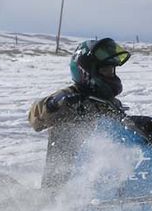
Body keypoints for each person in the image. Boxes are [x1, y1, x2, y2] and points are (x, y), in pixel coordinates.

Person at [28, 37, 131, 189]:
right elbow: (35, 120)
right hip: (66, 181)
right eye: (105, 70)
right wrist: (52, 104)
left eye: (111, 70)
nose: (110, 74)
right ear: (87, 71)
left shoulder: (113, 104)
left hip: (104, 178)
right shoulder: (71, 96)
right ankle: (52, 193)